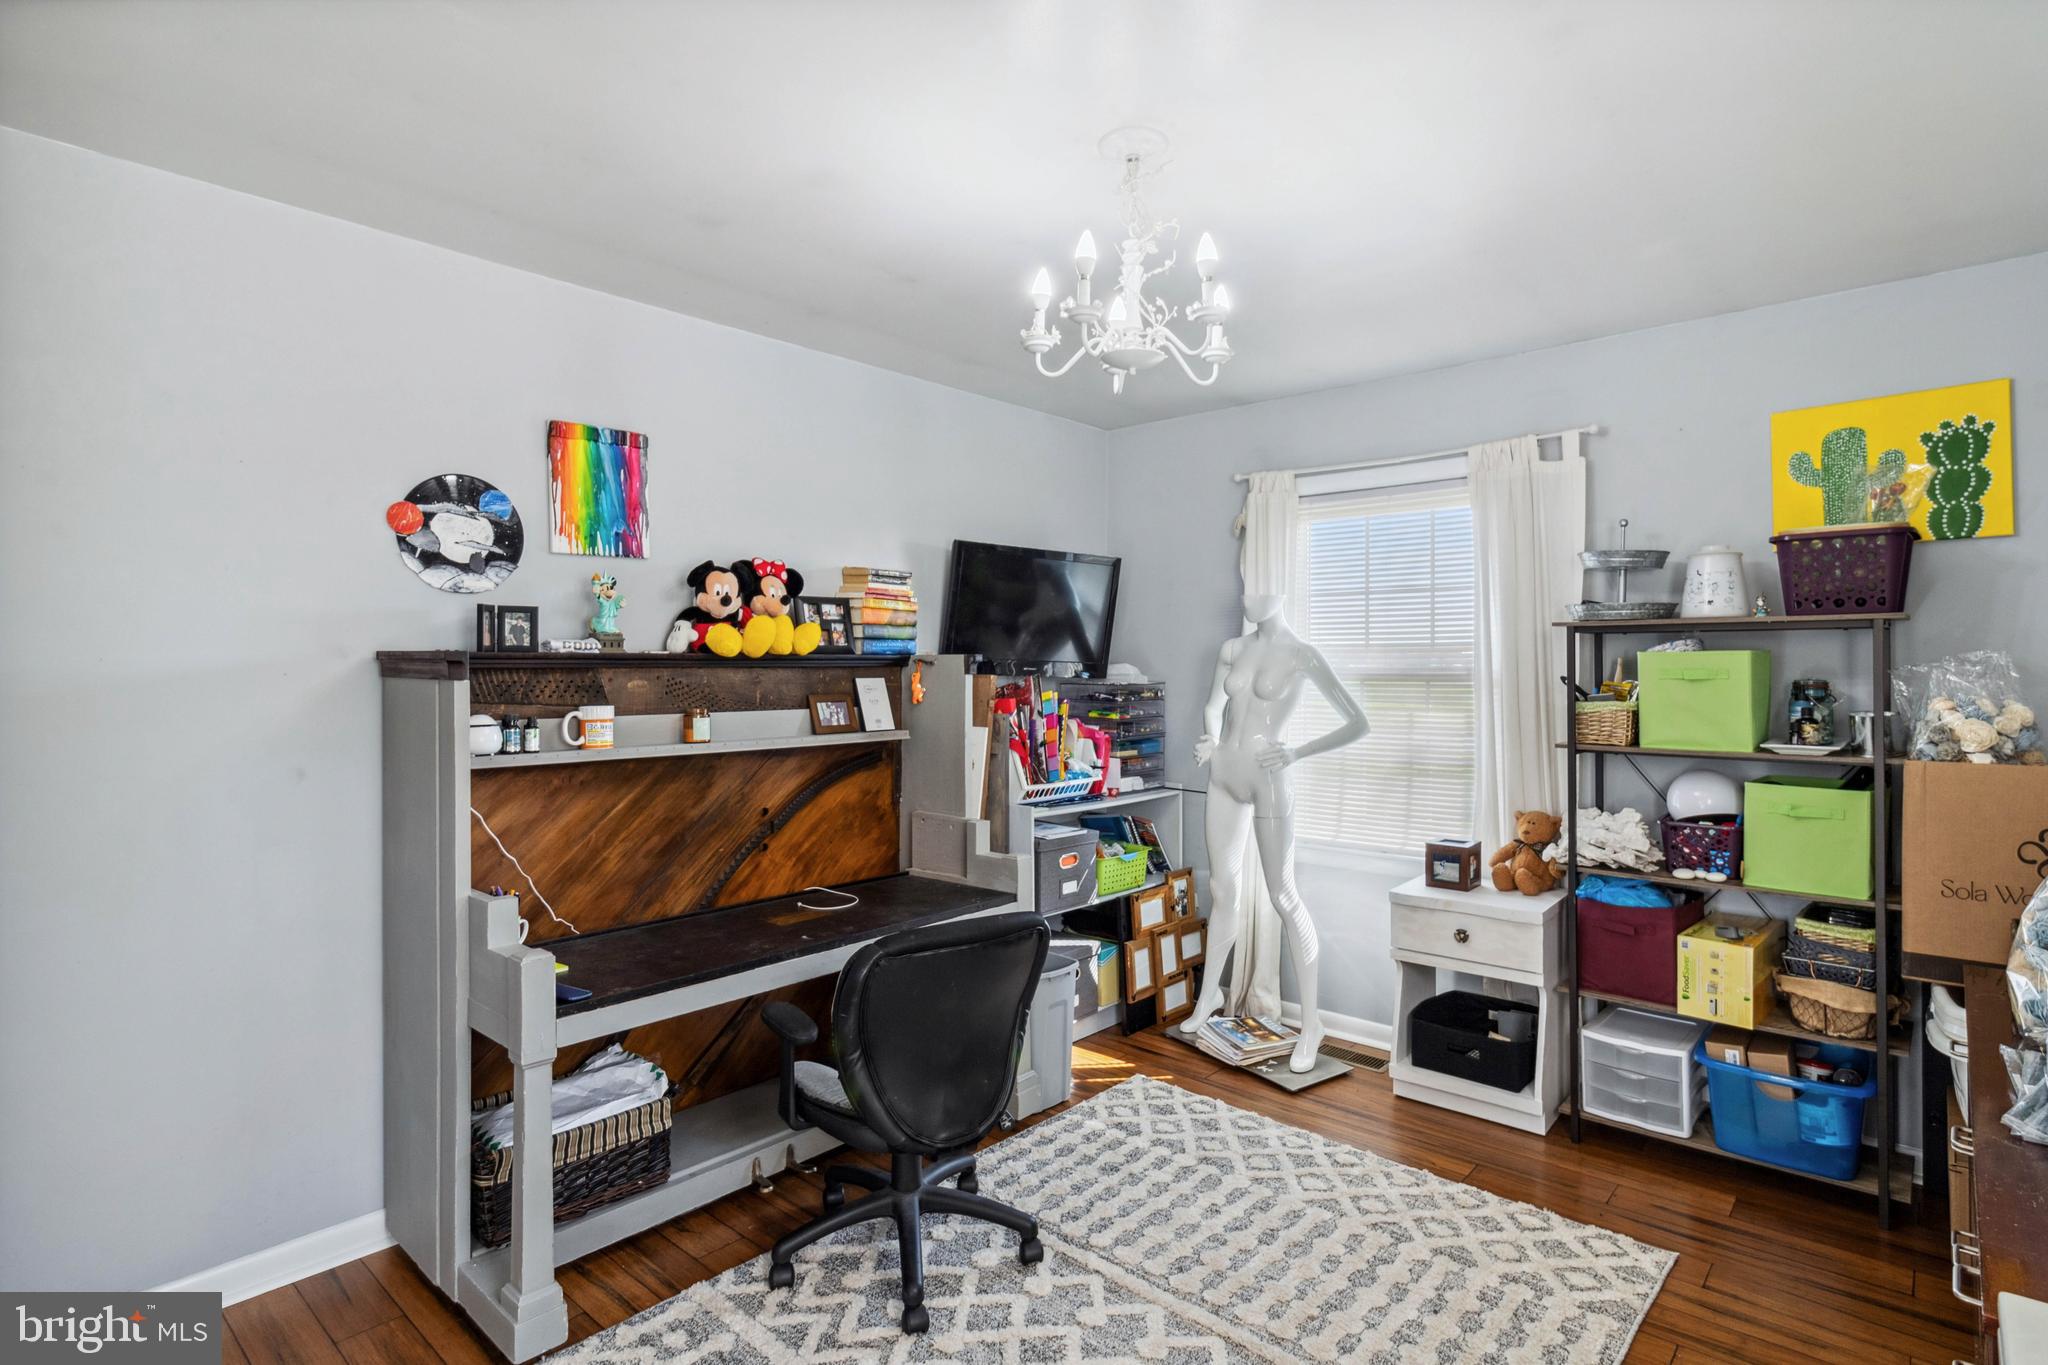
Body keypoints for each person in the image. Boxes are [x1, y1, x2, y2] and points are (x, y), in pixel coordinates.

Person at [1185, 592, 1368, 1071]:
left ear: (1281, 594)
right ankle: (1209, 999)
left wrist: (1296, 752)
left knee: (1283, 894)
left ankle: (1312, 1025)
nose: (1247, 597)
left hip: (1269, 779)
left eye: (1259, 589)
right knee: (1222, 890)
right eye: (1243, 588)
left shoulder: (1302, 654)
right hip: (1223, 773)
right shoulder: (1231, 649)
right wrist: (1210, 737)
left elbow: (1358, 722)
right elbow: (1212, 705)